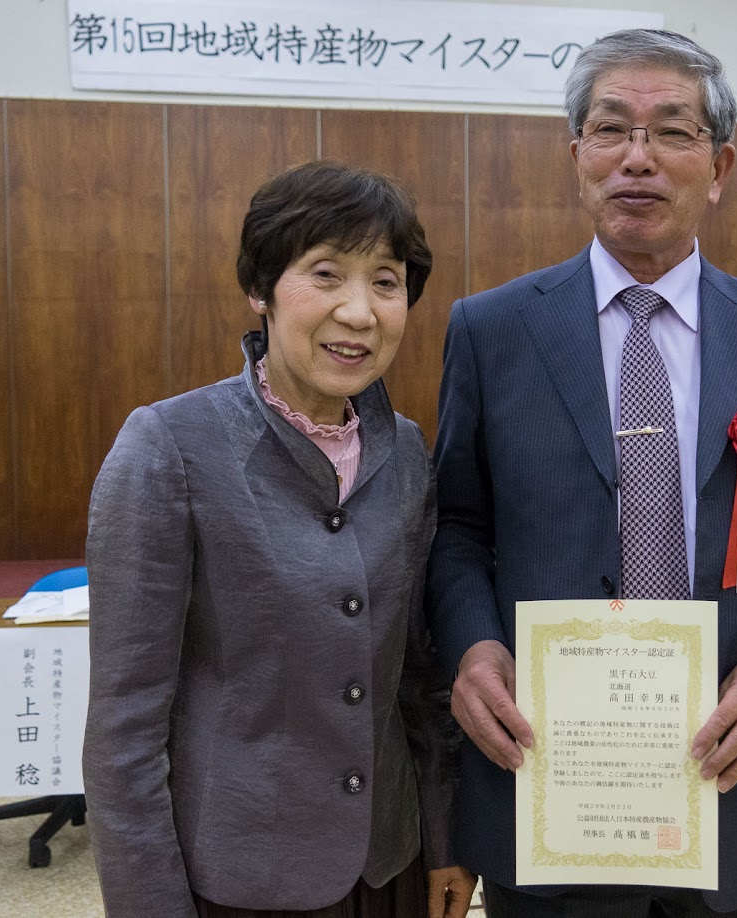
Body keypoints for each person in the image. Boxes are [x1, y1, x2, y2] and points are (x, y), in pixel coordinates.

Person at [427, 29, 737, 917]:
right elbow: (455, 531)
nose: (638, 159)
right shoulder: (491, 330)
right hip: (548, 780)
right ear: (576, 156)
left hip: (727, 783)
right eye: (610, 130)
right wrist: (471, 648)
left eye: (672, 132)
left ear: (720, 165)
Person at [82, 160, 476, 918]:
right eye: (325, 274)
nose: (359, 312)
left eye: (385, 282)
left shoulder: (406, 451)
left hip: (387, 863)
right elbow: (124, 728)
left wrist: (442, 838)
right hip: (241, 878)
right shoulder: (169, 445)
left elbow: (416, 680)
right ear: (260, 289)